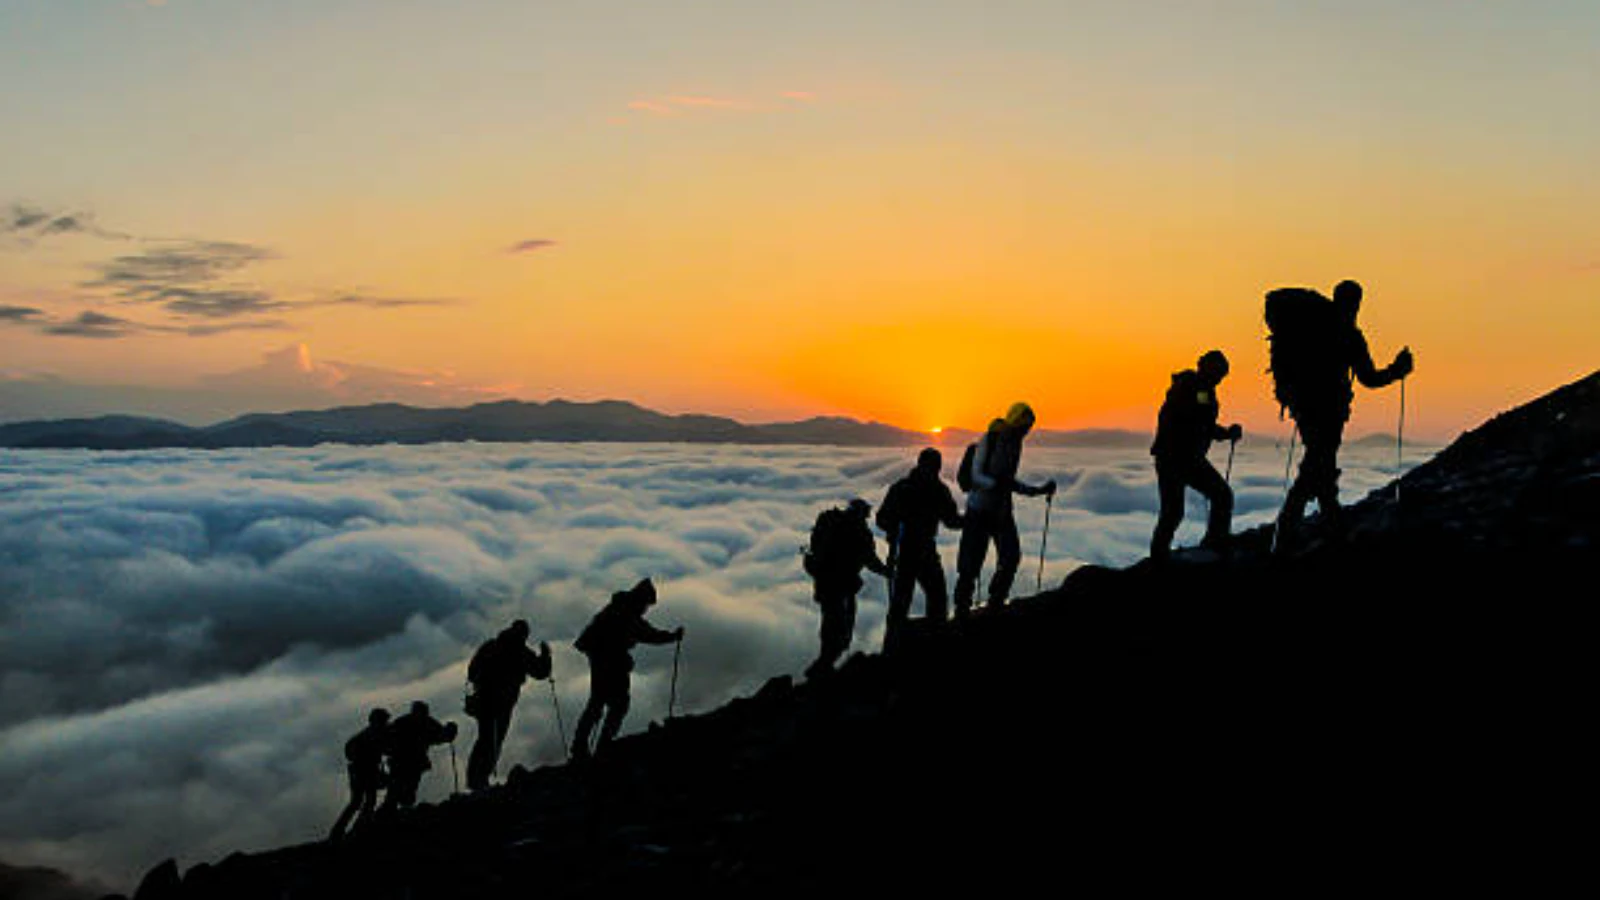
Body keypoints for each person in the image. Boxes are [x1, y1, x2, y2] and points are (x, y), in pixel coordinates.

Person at [1275, 279, 1413, 549]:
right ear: (1356, 302)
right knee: (1315, 468)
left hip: (1306, 411)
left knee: (1320, 468)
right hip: (1329, 413)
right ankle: (1290, 534)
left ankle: (1326, 528)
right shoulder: (1350, 335)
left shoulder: (1312, 329)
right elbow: (1369, 378)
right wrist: (1398, 370)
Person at [953, 402, 1056, 615]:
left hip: (999, 510)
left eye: (1028, 427)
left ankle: (995, 601)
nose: (1027, 431)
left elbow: (1007, 481)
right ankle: (965, 607)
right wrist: (997, 485)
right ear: (1017, 422)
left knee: (1008, 558)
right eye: (1025, 426)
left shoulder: (1014, 444)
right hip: (981, 510)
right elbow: (976, 475)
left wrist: (1036, 491)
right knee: (972, 565)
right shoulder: (990, 440)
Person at [571, 578, 683, 760]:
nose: (646, 609)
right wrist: (672, 637)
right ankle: (601, 746)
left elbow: (643, 632)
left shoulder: (620, 608)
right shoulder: (626, 613)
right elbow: (647, 633)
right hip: (609, 660)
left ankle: (582, 747)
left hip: (601, 658)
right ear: (641, 599)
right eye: (647, 604)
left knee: (599, 702)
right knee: (617, 703)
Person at [1149, 350, 1243, 562]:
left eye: (1221, 375)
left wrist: (1224, 432)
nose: (1219, 379)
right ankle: (1214, 541)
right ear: (1207, 368)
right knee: (1219, 496)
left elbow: (1200, 422)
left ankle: (1159, 556)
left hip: (1175, 457)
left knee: (1173, 511)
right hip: (1180, 458)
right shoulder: (1196, 388)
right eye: (1218, 373)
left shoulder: (1194, 388)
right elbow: (1200, 422)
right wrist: (1226, 433)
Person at [875, 447, 964, 649]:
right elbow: (951, 520)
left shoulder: (901, 488)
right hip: (920, 551)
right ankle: (934, 642)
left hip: (905, 551)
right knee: (936, 599)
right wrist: (970, 521)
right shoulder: (938, 489)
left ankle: (891, 649)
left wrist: (895, 527)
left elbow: (882, 519)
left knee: (901, 604)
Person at [802, 497, 890, 680]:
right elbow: (870, 559)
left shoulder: (832, 522)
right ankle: (822, 668)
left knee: (831, 624)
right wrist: (887, 572)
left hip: (825, 583)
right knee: (841, 627)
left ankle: (824, 664)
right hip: (842, 586)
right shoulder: (859, 532)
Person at [464, 620, 552, 791]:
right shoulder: (521, 652)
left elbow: (472, 671)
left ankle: (475, 779)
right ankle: (481, 779)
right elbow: (540, 672)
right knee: (494, 740)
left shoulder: (491, 645)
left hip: (484, 700)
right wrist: (546, 656)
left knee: (485, 739)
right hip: (504, 703)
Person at [380, 701, 458, 811]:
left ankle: (393, 812)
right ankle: (396, 811)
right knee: (402, 790)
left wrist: (449, 733)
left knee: (402, 790)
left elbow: (441, 736)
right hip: (408, 763)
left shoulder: (405, 722)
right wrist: (450, 732)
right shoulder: (426, 723)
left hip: (405, 763)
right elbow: (441, 736)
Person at [328, 708, 389, 840]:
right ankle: (359, 828)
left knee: (358, 802)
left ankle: (342, 831)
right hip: (365, 771)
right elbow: (384, 749)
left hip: (360, 771)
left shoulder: (366, 735)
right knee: (365, 801)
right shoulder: (373, 735)